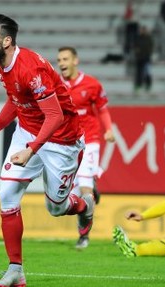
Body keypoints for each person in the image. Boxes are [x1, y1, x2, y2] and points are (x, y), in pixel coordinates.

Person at [0, 14, 93, 287]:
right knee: (6, 194)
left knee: (56, 207)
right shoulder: (3, 63)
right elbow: (16, 99)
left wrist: (31, 150)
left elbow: (55, 117)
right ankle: (15, 269)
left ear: (6, 41)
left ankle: (85, 206)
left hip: (62, 140)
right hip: (28, 131)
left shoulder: (31, 69)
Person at [56, 46, 116, 249]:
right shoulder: (54, 85)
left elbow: (102, 109)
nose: (61, 63)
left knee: (84, 189)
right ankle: (91, 190)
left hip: (89, 141)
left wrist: (108, 129)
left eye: (65, 59)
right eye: (59, 59)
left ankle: (84, 236)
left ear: (75, 61)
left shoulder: (92, 84)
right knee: (69, 194)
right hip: (66, 144)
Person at [134, 25, 154, 94]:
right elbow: (135, 47)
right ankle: (138, 86)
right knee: (139, 73)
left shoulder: (148, 38)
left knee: (147, 73)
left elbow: (150, 48)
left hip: (146, 58)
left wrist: (144, 52)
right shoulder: (138, 38)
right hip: (139, 58)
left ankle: (148, 85)